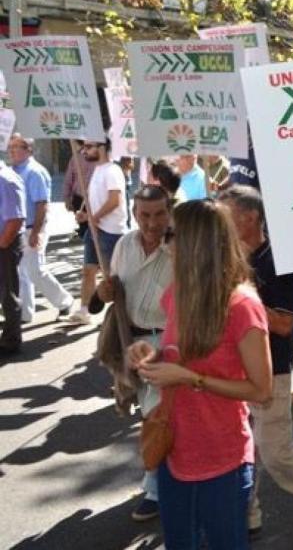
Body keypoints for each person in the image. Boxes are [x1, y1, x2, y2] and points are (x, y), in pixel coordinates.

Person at [126, 199, 272, 549]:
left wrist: (189, 379)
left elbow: (262, 390)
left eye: (173, 234)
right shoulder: (176, 294)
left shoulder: (242, 306)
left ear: (197, 243)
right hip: (174, 450)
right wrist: (151, 354)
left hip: (223, 458)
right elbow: (178, 352)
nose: (165, 242)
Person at [217, 186, 293, 533]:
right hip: (230, 365)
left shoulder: (276, 261)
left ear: (250, 218)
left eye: (227, 213)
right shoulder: (225, 256)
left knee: (274, 448)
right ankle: (248, 516)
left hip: (270, 366)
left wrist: (241, 297)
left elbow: (285, 324)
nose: (221, 221)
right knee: (238, 445)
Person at [94, 184, 174, 522]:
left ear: (169, 212)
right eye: (144, 215)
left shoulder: (180, 248)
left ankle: (156, 489)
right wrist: (103, 290)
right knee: (146, 413)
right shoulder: (125, 244)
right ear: (134, 213)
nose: (152, 223)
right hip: (130, 342)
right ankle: (161, 480)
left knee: (158, 416)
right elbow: (107, 293)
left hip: (167, 343)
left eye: (159, 214)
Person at [7, 134, 74, 322]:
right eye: (10, 146)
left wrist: (36, 232)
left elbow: (42, 204)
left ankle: (65, 301)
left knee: (36, 271)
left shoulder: (34, 172)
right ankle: (25, 313)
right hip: (19, 228)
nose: (11, 150)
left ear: (28, 149)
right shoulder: (15, 170)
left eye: (16, 147)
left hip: (31, 227)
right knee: (21, 271)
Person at [71, 139, 128, 326]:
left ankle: (121, 315)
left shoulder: (112, 170)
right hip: (95, 230)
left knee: (113, 278)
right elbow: (99, 200)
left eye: (88, 147)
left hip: (111, 232)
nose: (84, 151)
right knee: (88, 270)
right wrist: (86, 215)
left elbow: (114, 200)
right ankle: (84, 311)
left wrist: (94, 217)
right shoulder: (97, 170)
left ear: (102, 148)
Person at [0, 160, 26, 355]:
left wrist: (2, 243)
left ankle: (11, 340)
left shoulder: (5, 180)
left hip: (6, 245)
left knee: (8, 293)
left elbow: (16, 218)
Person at [61, 140, 96, 239]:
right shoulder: (76, 158)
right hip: (81, 198)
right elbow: (69, 179)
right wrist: (67, 198)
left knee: (87, 228)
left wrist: (67, 198)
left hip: (88, 198)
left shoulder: (77, 157)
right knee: (88, 228)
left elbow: (68, 180)